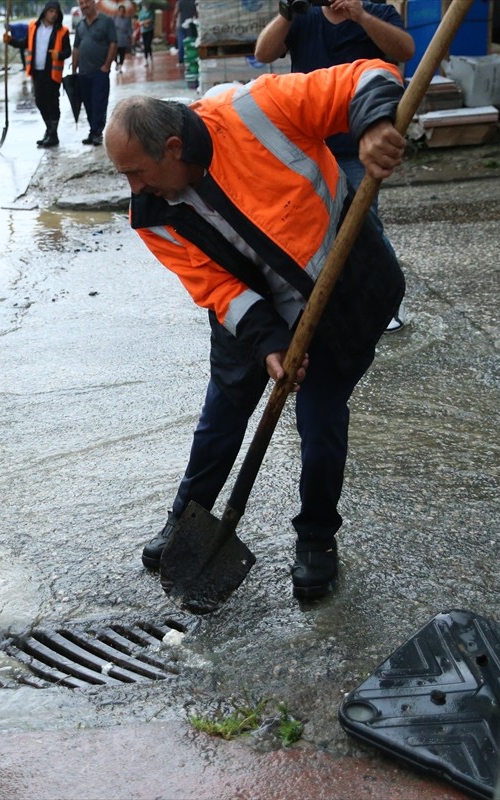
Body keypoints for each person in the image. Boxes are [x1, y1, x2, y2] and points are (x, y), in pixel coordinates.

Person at [104, 59, 406, 599]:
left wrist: (375, 125)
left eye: (136, 171)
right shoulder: (154, 212)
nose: (134, 187)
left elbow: (366, 76)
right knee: (221, 418)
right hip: (253, 310)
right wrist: (270, 342)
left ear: (173, 148)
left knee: (319, 423)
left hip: (341, 288)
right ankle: (186, 520)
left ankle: (316, 538)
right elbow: (218, 289)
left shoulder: (255, 108)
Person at [255, 0, 413, 332]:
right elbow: (263, 53)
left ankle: (386, 304)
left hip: (358, 145)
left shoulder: (377, 12)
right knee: (311, 229)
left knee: (365, 226)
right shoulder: (303, 16)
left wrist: (360, 16)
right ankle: (331, 303)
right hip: (308, 146)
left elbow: (405, 50)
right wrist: (286, 11)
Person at [5, 1, 72, 148]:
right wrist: (10, 41)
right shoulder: (33, 27)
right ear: (45, 11)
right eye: (51, 11)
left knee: (53, 103)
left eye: (56, 12)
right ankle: (49, 130)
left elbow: (68, 52)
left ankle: (53, 135)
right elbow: (25, 43)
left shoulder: (62, 31)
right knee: (40, 102)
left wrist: (59, 55)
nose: (53, 15)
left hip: (52, 73)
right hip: (37, 72)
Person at [72, 0, 118, 146]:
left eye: (86, 2)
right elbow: (76, 48)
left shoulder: (106, 21)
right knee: (88, 103)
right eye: (81, 4)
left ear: (93, 3)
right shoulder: (80, 25)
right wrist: (74, 70)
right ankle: (93, 131)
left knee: (99, 102)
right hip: (83, 73)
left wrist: (107, 65)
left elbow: (113, 43)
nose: (84, 6)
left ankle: (97, 132)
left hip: (100, 72)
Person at [173, 0, 196, 65]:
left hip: (181, 25)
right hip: (190, 25)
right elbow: (195, 14)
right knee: (190, 43)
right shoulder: (192, 2)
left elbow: (175, 13)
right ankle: (190, 59)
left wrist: (173, 22)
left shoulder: (180, 2)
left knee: (181, 43)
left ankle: (181, 61)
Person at [114, 4, 134, 71]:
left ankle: (120, 65)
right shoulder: (114, 18)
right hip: (116, 38)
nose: (121, 12)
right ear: (118, 11)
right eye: (120, 11)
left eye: (123, 11)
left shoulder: (127, 19)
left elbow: (129, 29)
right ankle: (116, 63)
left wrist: (129, 36)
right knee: (115, 53)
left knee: (122, 53)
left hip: (124, 38)